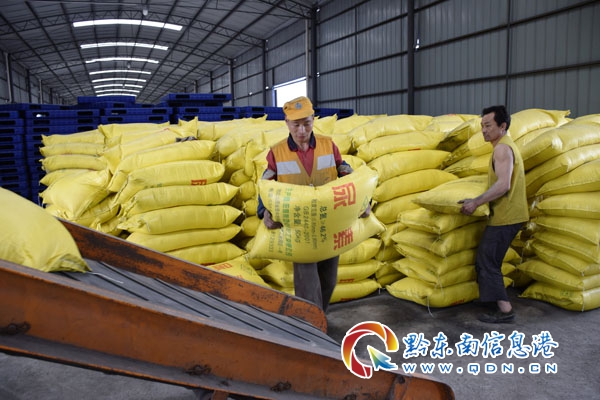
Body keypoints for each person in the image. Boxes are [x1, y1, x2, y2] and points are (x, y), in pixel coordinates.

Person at [256, 96, 369, 312]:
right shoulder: (277, 152)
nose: (301, 130)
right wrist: (264, 211)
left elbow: (348, 174)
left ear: (313, 120)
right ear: (287, 123)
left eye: (306, 123)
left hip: (329, 223)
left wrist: (364, 202)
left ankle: (318, 319)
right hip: (300, 227)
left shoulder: (328, 145)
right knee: (308, 285)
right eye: (296, 124)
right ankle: (310, 326)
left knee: (328, 281)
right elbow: (265, 184)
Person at [459, 105, 528, 324]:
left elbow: (503, 184)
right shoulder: (505, 146)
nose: (484, 130)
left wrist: (476, 202)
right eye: (482, 126)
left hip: (507, 216)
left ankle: (505, 310)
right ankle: (490, 300)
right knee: (487, 258)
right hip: (507, 215)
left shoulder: (502, 149)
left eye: (488, 125)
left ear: (502, 125)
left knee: (488, 260)